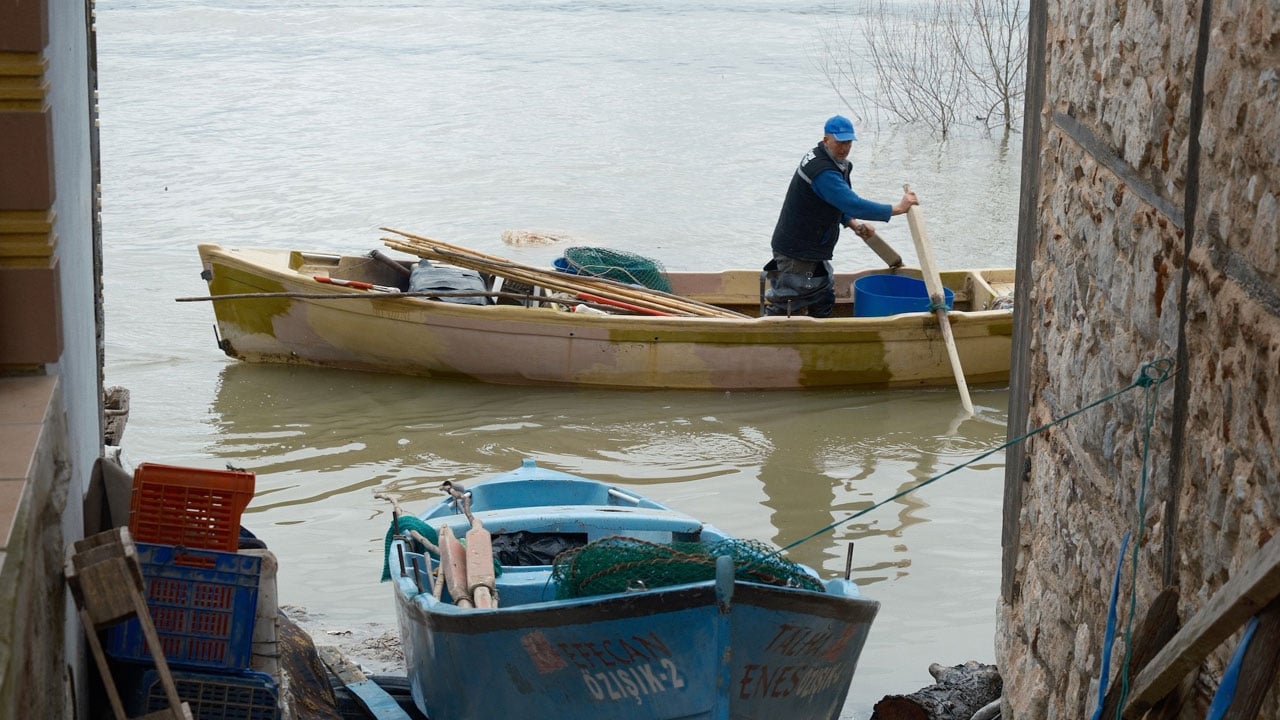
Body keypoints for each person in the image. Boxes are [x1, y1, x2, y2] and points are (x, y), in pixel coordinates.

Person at [764, 115, 918, 317]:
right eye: (840, 142)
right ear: (826, 140)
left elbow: (834, 202)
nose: (845, 148)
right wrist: (897, 208)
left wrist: (853, 224)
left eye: (848, 143)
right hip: (797, 253)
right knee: (791, 299)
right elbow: (852, 203)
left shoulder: (835, 163)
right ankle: (766, 330)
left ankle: (820, 331)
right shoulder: (823, 171)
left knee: (823, 295)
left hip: (812, 249)